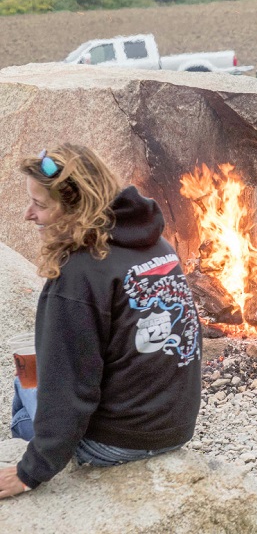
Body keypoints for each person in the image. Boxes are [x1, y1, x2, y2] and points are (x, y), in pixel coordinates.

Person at [0, 144, 202, 500]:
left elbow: (69, 389)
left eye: (41, 205)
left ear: (76, 208)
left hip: (116, 445)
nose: (28, 214)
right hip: (175, 427)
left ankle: (19, 449)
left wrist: (29, 472)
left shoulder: (77, 276)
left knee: (24, 387)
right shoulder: (159, 246)